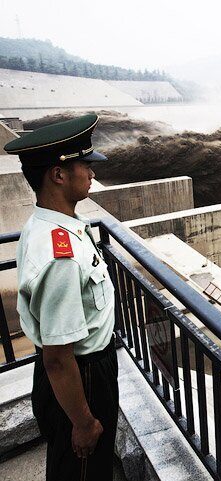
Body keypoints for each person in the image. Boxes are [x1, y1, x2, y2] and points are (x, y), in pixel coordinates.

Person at [4, 114, 118, 481]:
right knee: (84, 469)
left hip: (79, 374)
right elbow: (57, 357)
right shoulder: (60, 256)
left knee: (75, 467)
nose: (92, 173)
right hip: (81, 377)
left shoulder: (46, 224)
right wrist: (83, 422)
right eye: (86, 165)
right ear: (58, 174)